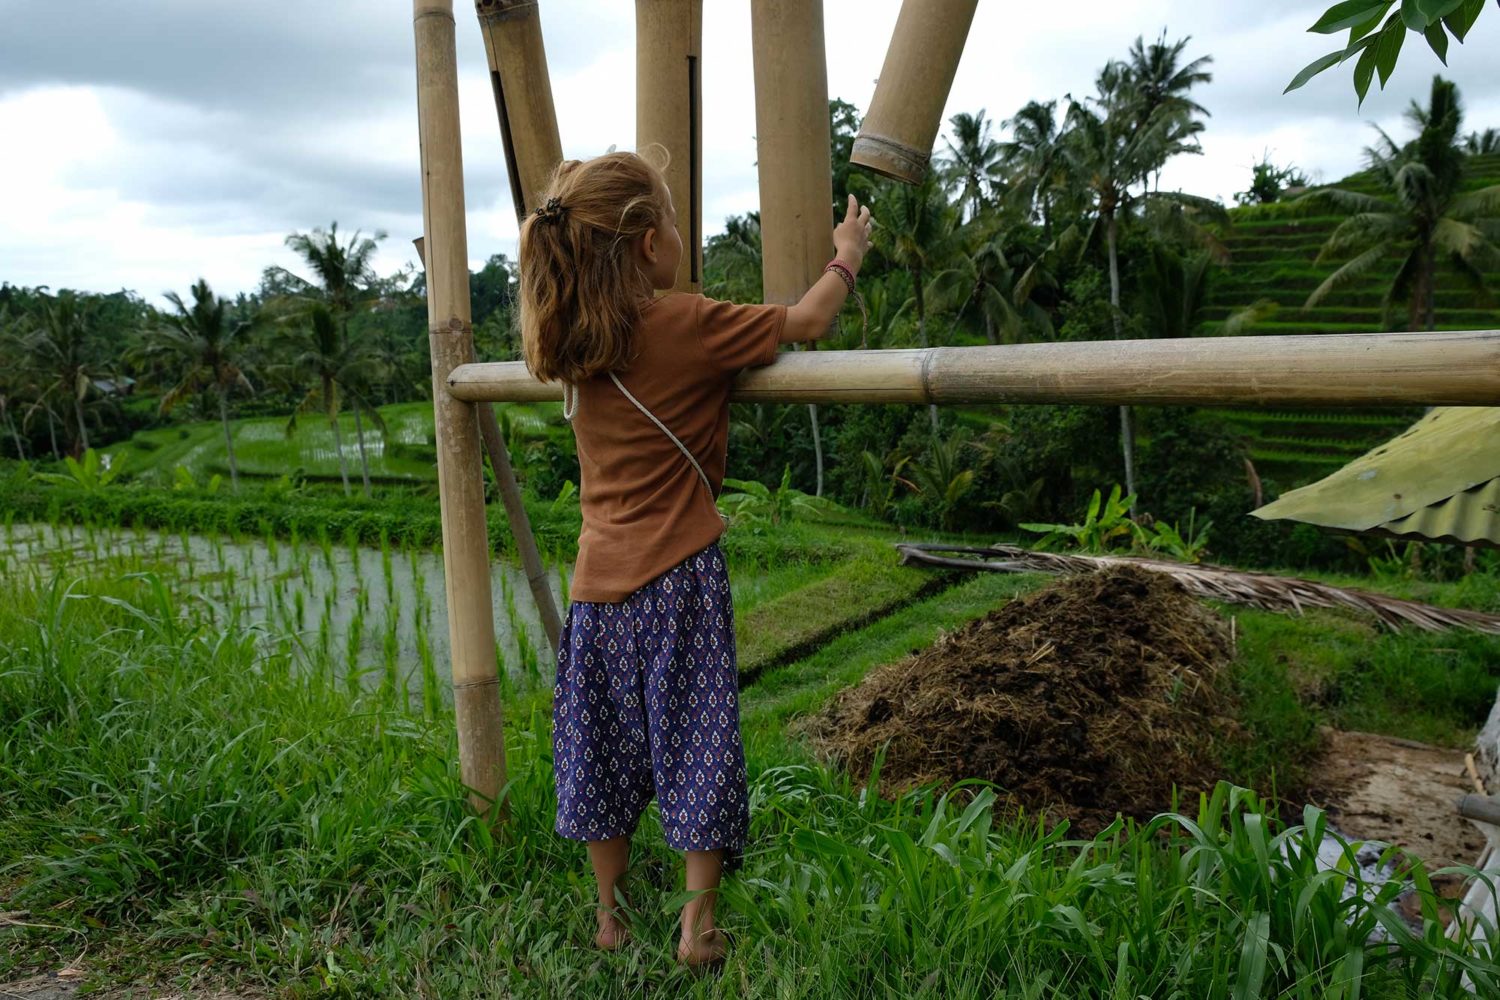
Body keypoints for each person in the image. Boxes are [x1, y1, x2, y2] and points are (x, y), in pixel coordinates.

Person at [517, 148, 872, 969]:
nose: (680, 232)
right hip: (679, 577)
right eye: (672, 218)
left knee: (598, 746)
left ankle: (608, 916)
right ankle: (696, 925)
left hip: (595, 588)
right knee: (696, 739)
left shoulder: (566, 336)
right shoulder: (685, 321)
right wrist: (846, 258)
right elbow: (809, 320)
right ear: (647, 245)